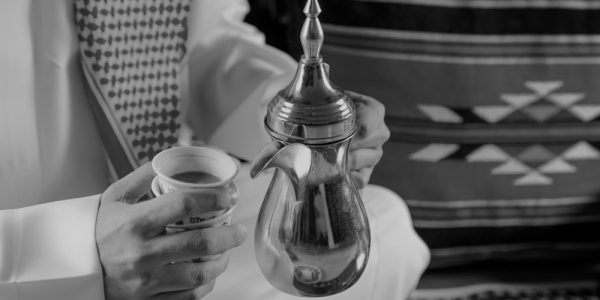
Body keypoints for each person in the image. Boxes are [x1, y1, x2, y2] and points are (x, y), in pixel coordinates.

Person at [0, 0, 429, 299]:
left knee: (385, 225)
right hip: (27, 258)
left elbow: (204, 44)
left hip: (172, 220)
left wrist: (289, 116)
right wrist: (73, 256)